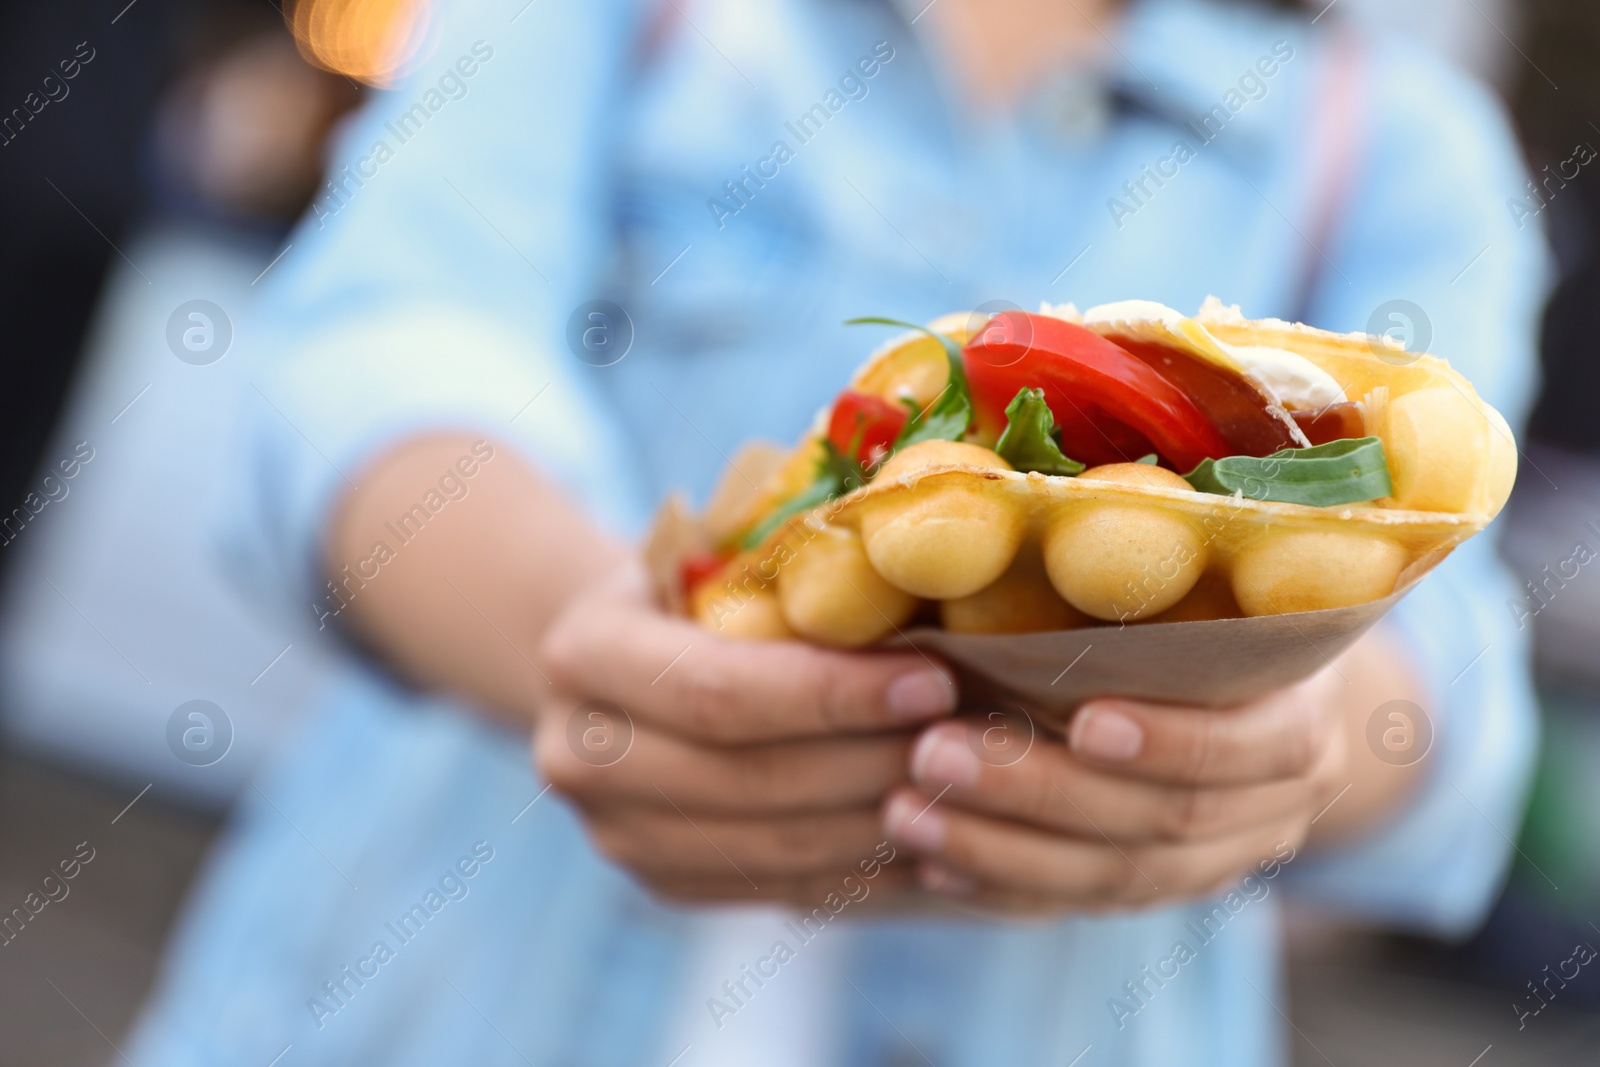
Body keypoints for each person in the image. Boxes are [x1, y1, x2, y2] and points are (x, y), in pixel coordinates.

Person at [125, 0, 1548, 1063]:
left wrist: (1296, 756)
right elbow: (388, 356)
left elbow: (1454, 687)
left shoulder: (1390, 149)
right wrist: (583, 639)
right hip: (424, 999)